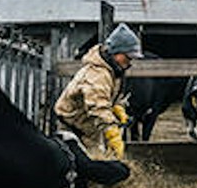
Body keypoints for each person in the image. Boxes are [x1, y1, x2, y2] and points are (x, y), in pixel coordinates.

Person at [54, 23, 143, 158]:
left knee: (99, 159)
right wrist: (113, 133)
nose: (130, 61)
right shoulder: (97, 74)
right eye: (128, 56)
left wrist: (118, 108)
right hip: (72, 127)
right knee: (84, 165)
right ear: (116, 52)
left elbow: (112, 96)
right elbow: (97, 106)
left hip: (89, 127)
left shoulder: (114, 70)